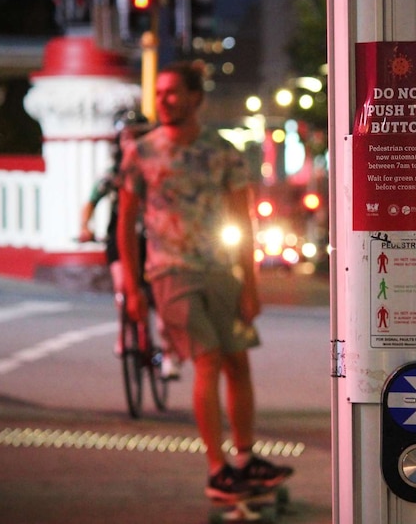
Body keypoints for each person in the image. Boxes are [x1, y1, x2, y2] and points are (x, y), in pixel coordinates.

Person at [116, 61, 293, 501]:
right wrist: (133, 290)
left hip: (220, 270)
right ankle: (218, 469)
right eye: (160, 94)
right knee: (209, 358)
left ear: (197, 98)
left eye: (174, 92)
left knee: (238, 362)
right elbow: (125, 223)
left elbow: (243, 220)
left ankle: (246, 458)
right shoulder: (142, 151)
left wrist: (250, 285)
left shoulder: (223, 150)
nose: (165, 101)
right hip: (170, 272)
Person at [78, 110, 181, 380]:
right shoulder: (113, 173)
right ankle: (125, 334)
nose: (132, 142)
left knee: (160, 297)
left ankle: (169, 353)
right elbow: (91, 201)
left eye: (138, 136)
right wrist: (84, 227)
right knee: (123, 286)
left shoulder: (160, 168)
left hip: (154, 238)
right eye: (126, 137)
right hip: (120, 238)